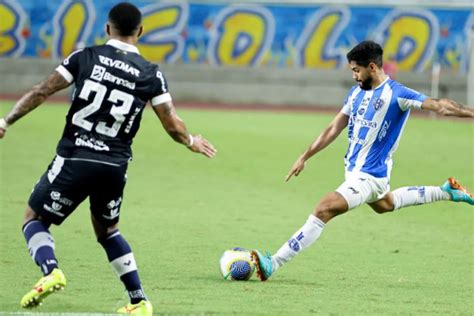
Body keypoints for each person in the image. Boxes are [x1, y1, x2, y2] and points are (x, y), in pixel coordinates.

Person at [0, 2, 216, 314]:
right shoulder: (150, 73)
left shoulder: (85, 56)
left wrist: (6, 121)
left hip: (74, 158)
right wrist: (191, 141)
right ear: (140, 31)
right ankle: (139, 301)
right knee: (108, 231)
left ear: (107, 28)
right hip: (114, 166)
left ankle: (51, 271)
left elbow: (41, 91)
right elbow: (171, 123)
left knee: (34, 219)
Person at [250, 40, 473, 282]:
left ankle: (274, 262)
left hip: (371, 176)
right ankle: (447, 191)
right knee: (385, 205)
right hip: (354, 171)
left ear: (372, 67)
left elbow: (441, 106)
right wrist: (305, 156)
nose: (354, 75)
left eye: (357, 70)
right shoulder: (356, 93)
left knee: (323, 209)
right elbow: (334, 127)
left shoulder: (398, 94)